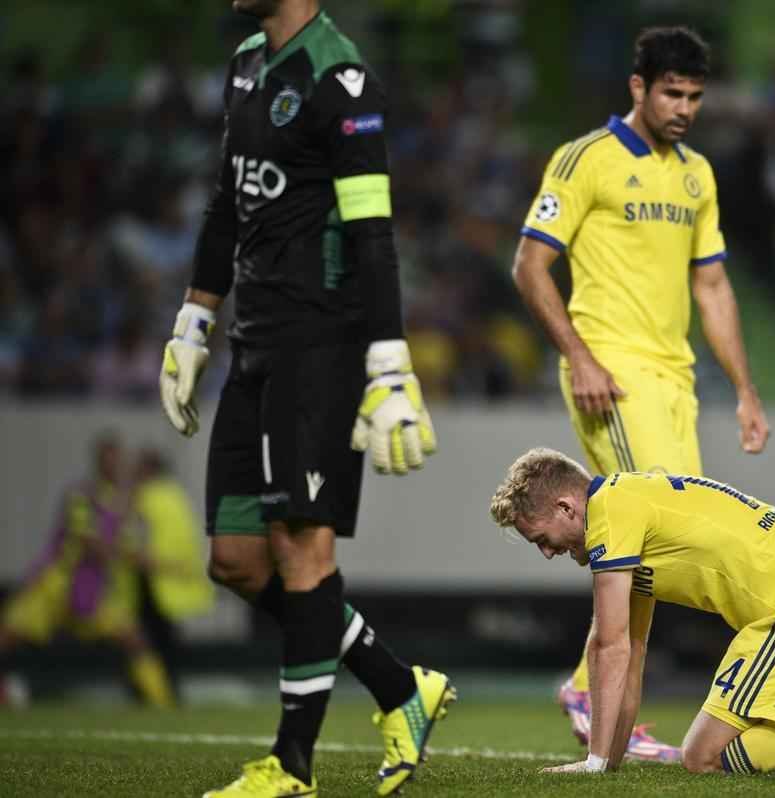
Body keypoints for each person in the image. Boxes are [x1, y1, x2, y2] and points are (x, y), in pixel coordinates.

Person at [157, 1, 449, 795]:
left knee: (302, 553)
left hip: (321, 344)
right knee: (238, 562)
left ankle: (292, 766)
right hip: (252, 340)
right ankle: (398, 686)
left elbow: (373, 231)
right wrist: (194, 320)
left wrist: (389, 364)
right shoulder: (248, 61)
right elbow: (229, 201)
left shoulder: (341, 79)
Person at [510, 26, 770, 761]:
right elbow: (530, 266)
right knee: (647, 535)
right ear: (638, 88)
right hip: (612, 376)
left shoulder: (696, 176)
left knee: (658, 546)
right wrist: (580, 358)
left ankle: (592, 692)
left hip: (675, 380)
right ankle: (601, 700)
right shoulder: (584, 159)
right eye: (671, 93)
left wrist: (746, 389)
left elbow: (712, 285)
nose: (684, 107)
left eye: (694, 96)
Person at [488, 448, 775, 776]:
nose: (548, 553)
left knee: (702, 757)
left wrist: (594, 763)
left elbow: (609, 645)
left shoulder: (610, 512)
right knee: (707, 751)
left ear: (566, 507)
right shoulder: (629, 505)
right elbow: (631, 649)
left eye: (541, 539)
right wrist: (610, 760)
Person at [0, 433, 173, 708]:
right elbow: (89, 542)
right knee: (8, 635)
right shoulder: (82, 495)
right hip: (56, 584)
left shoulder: (123, 504)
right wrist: (128, 553)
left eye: (119, 459)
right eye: (110, 459)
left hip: (93, 588)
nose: (116, 465)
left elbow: (127, 547)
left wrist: (159, 564)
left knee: (134, 638)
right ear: (100, 462)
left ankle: (162, 703)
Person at [131, 447, 216, 694]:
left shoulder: (146, 497)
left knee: (146, 642)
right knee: (165, 642)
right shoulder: (177, 497)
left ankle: (152, 692)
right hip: (174, 580)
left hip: (154, 578)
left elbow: (134, 535)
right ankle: (166, 691)